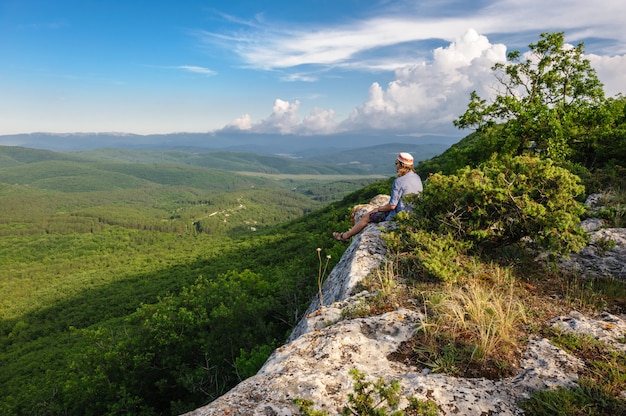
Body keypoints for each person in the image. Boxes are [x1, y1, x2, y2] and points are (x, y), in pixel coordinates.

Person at [333, 152, 423, 242]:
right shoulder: (416, 177)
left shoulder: (398, 181)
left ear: (401, 165)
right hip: (414, 213)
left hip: (399, 215)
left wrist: (378, 209)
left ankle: (345, 236)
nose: (395, 165)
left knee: (367, 216)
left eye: (396, 163)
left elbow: (392, 205)